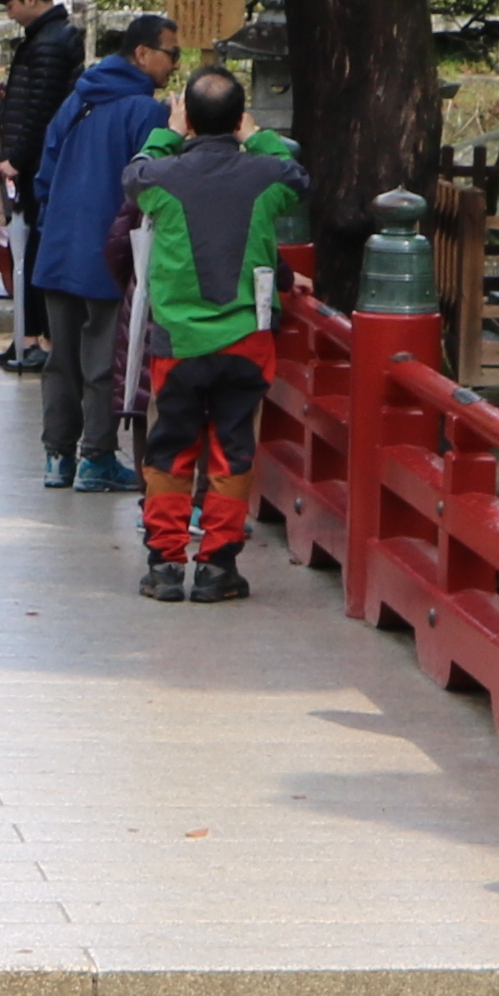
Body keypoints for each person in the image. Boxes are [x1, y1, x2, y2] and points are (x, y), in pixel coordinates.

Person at [121, 63, 305, 602]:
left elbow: (133, 174)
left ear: (190, 119)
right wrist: (257, 136)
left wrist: (167, 133)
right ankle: (219, 565)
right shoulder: (266, 175)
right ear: (239, 118)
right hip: (246, 339)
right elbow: (297, 174)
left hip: (178, 340)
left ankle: (164, 564)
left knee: (169, 449)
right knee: (233, 450)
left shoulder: (163, 177)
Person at [20, 10, 175, 493]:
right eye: (172, 53)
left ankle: (56, 457)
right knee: (103, 356)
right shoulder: (147, 111)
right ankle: (97, 458)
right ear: (143, 53)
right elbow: (149, 187)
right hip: (110, 249)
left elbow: (44, 170)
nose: (175, 63)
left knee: (61, 356)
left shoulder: (79, 98)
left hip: (60, 244)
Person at [0, 0, 81, 370]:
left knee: (35, 249)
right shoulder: (51, 38)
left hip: (41, 165)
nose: (10, 13)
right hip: (43, 163)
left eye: (11, 5)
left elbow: (42, 110)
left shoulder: (46, 44)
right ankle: (31, 335)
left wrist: (17, 158)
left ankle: (38, 338)